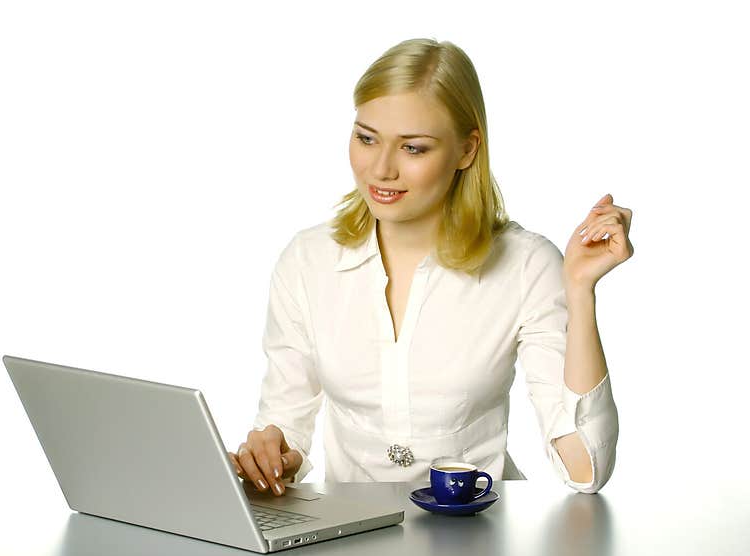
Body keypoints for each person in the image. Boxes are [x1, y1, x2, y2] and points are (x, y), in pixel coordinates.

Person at [227, 37, 633, 497]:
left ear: (466, 151)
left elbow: (585, 471)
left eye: (414, 148)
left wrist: (579, 291)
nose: (381, 169)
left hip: (478, 542)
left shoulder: (525, 265)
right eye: (366, 138)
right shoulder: (307, 260)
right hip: (351, 544)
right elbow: (286, 424)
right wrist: (272, 454)